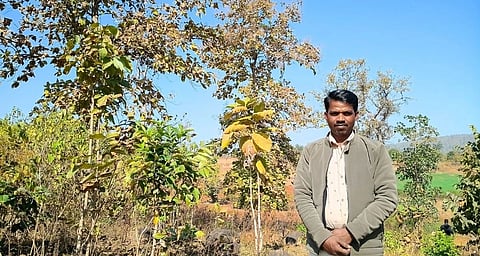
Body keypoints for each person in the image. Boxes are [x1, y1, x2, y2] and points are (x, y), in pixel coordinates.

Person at [294, 89, 398, 256]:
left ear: (356, 115)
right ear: (326, 116)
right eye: (335, 113)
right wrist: (323, 238)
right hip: (321, 248)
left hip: (363, 248)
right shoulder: (311, 152)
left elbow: (387, 198)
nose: (340, 118)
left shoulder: (375, 151)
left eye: (347, 113)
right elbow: (302, 197)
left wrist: (351, 232)